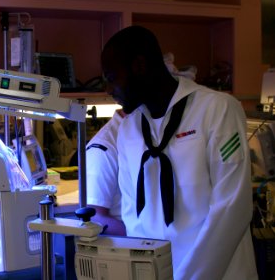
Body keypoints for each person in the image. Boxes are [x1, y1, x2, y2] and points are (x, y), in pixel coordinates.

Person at [101, 25, 257, 279]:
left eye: (111, 77)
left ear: (139, 66)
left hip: (219, 271)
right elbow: (132, 215)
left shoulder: (217, 109)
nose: (108, 90)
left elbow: (232, 208)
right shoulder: (128, 129)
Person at [86, 109, 126, 236]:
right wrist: (146, 237)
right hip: (127, 247)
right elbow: (95, 217)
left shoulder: (138, 135)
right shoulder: (103, 148)